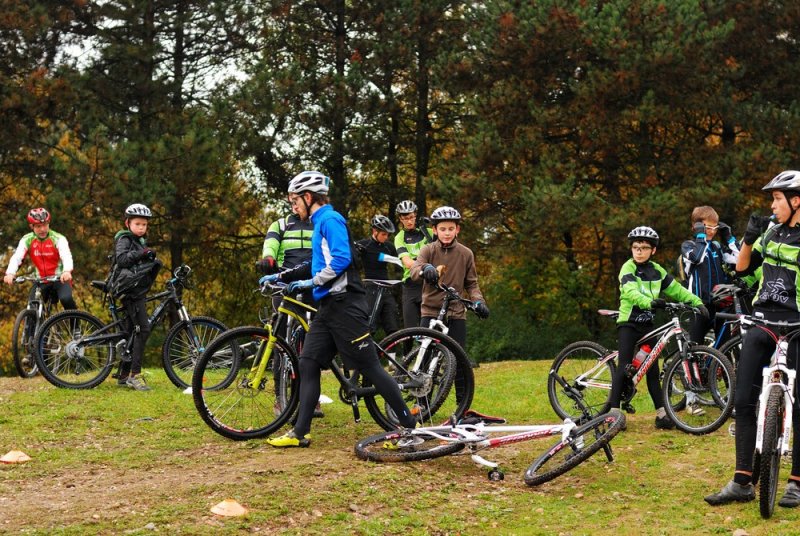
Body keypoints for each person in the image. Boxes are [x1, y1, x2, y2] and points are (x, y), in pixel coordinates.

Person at [265, 171, 417, 447]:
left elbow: (341, 260)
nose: (293, 206)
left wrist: (307, 283)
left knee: (370, 367)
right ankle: (300, 433)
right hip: (328, 308)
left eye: (294, 200)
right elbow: (314, 263)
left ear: (308, 197)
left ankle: (410, 428)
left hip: (347, 305)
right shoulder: (319, 222)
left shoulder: (331, 220)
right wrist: (281, 277)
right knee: (308, 363)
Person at [705, 170, 800, 507]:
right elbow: (744, 268)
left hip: (798, 324)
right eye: (772, 198)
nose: (772, 205)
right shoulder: (772, 231)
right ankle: (742, 480)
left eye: (777, 198)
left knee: (799, 400)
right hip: (764, 321)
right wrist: (748, 237)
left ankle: (796, 482)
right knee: (743, 399)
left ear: (795, 200)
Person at [611, 226, 707, 430]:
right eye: (635, 247)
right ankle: (613, 414)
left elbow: (677, 290)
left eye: (644, 247)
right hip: (629, 322)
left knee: (652, 370)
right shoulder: (627, 268)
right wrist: (649, 302)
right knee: (624, 365)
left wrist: (697, 303)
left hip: (648, 326)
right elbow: (630, 292)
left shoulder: (657, 271)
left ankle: (662, 413)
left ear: (653, 250)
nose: (638, 251)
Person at [410, 206, 489, 351]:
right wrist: (425, 268)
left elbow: (471, 284)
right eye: (443, 229)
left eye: (451, 229)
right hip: (430, 310)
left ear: (457, 230)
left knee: (458, 358)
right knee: (425, 355)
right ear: (435, 230)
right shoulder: (428, 249)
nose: (447, 233)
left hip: (455, 311)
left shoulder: (466, 253)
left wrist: (479, 302)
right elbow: (414, 272)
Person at [112, 203, 161, 391]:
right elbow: (122, 259)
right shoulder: (124, 239)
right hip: (130, 292)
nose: (141, 228)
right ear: (128, 223)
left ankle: (124, 374)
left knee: (134, 330)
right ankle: (135, 374)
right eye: (138, 224)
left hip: (136, 290)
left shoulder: (139, 241)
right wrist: (142, 253)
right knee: (144, 329)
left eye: (144, 225)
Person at [680, 206, 740, 347]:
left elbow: (738, 260)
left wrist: (729, 238)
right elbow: (697, 258)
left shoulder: (716, 247)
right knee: (693, 348)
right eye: (708, 227)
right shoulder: (688, 246)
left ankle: (717, 369)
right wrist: (701, 236)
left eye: (715, 227)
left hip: (719, 305)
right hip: (698, 305)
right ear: (696, 227)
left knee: (724, 347)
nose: (712, 231)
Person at [4, 208, 77, 310]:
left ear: (49, 223)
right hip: (40, 281)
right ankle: (34, 326)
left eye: (45, 225)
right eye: (38, 226)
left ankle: (75, 324)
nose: (43, 229)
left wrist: (67, 271)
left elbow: (66, 255)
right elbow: (17, 257)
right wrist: (10, 273)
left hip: (59, 279)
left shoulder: (58, 238)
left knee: (66, 299)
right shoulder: (27, 240)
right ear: (31, 226)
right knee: (32, 307)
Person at [357, 214, 400, 336]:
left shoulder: (389, 247)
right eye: (383, 234)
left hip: (386, 288)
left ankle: (391, 355)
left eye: (388, 235)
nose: (386, 237)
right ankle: (369, 354)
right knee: (370, 326)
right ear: (374, 231)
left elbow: (401, 261)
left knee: (392, 327)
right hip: (370, 288)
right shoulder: (364, 244)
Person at [394, 200, 433, 330]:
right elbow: (407, 262)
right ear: (400, 219)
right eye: (405, 218)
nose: (409, 221)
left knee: (430, 329)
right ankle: (408, 351)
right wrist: (425, 265)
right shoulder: (399, 237)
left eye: (411, 217)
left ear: (415, 215)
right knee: (409, 331)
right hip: (410, 285)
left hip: (428, 284)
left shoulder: (428, 233)